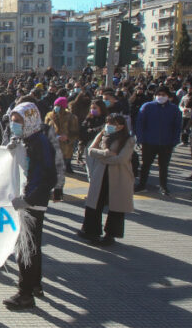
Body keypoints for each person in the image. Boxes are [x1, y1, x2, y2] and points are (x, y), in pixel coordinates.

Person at [3, 102, 57, 310]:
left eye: (19, 121)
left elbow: (47, 176)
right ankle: (35, 284)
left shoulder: (39, 142)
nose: (14, 124)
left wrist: (29, 199)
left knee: (25, 247)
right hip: (27, 201)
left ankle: (25, 294)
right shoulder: (27, 140)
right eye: (13, 120)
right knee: (33, 246)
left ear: (31, 120)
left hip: (32, 203)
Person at [79, 113, 134, 246]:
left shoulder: (128, 139)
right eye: (107, 123)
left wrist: (102, 158)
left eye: (112, 124)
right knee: (94, 204)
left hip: (118, 176)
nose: (108, 126)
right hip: (100, 174)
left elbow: (121, 158)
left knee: (116, 206)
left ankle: (111, 235)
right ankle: (91, 231)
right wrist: (105, 154)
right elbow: (91, 150)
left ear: (121, 126)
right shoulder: (103, 134)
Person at [134, 86, 182, 196]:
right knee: (145, 165)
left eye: (164, 95)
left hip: (166, 143)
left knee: (164, 166)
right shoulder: (147, 107)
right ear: (155, 96)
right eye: (159, 94)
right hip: (149, 142)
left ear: (168, 96)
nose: (161, 97)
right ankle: (141, 184)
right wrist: (140, 139)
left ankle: (163, 186)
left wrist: (174, 141)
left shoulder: (174, 109)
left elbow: (177, 126)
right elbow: (140, 123)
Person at [44, 97, 78, 173]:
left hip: (65, 148)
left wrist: (67, 137)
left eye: (59, 105)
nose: (56, 107)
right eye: (55, 105)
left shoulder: (71, 117)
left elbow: (75, 133)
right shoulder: (49, 116)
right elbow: (45, 129)